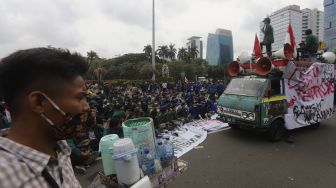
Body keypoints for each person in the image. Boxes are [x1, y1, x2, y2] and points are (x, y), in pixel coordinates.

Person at [0, 47, 89, 187]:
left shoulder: (60, 147)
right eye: (80, 97)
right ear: (38, 102)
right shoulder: (5, 177)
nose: (86, 107)